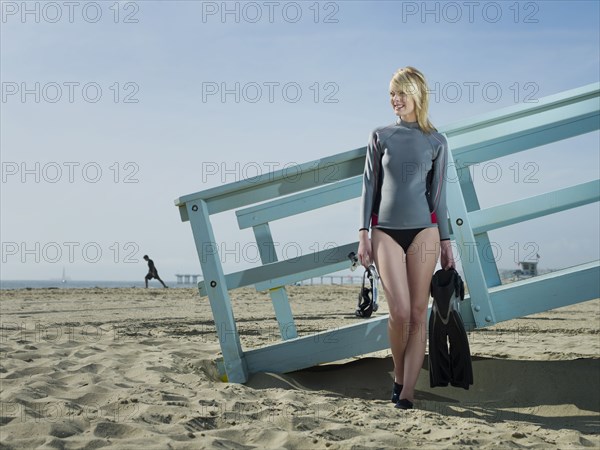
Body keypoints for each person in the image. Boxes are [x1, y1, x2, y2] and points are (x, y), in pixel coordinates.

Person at [357, 66, 455, 410]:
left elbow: (439, 198)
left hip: (424, 232)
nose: (395, 100)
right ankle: (399, 376)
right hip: (385, 230)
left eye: (400, 93)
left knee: (417, 312)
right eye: (391, 94)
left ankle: (408, 392)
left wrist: (446, 242)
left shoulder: (436, 141)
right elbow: (369, 186)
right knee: (398, 312)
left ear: (416, 94)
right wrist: (363, 234)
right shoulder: (380, 135)